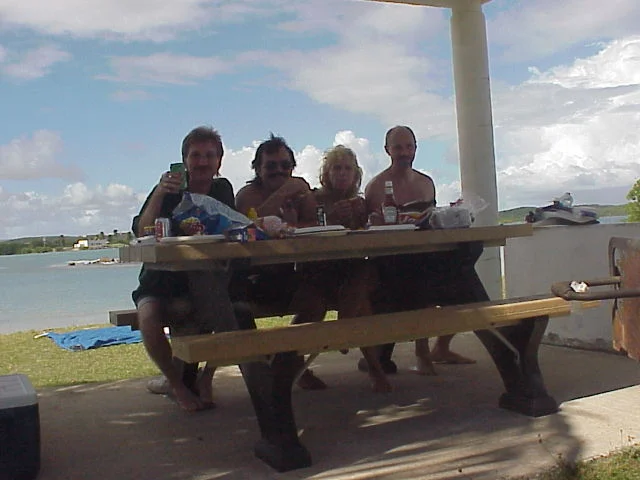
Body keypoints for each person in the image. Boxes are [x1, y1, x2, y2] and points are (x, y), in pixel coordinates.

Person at [131, 125, 235, 412]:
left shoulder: (222, 189)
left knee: (227, 308)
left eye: (209, 156)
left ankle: (206, 377)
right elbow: (142, 230)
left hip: (204, 276)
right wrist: (159, 195)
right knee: (149, 316)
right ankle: (177, 385)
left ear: (219, 162)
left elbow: (232, 226)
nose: (202, 162)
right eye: (195, 155)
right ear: (185, 160)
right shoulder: (170, 189)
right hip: (161, 279)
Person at [361, 125, 476, 375]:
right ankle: (422, 351)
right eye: (398, 147)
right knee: (424, 277)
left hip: (425, 255)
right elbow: (370, 231)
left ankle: (441, 346)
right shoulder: (376, 187)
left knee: (465, 264)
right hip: (390, 262)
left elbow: (431, 220)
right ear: (387, 150)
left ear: (415, 148)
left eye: (409, 146)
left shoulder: (426, 183)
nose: (404, 152)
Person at [290, 145, 392, 392]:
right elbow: (297, 227)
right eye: (337, 168)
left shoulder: (360, 202)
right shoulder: (312, 198)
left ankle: (346, 326)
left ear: (356, 175)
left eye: (348, 169)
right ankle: (368, 363)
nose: (343, 174)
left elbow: (369, 235)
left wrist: (372, 219)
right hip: (318, 271)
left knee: (364, 274)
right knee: (356, 303)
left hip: (351, 270)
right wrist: (329, 217)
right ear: (326, 173)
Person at [232, 134, 325, 389]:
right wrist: (284, 193)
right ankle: (283, 369)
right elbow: (247, 226)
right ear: (258, 169)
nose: (279, 171)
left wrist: (292, 222)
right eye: (271, 166)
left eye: (285, 165)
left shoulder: (300, 190)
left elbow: (314, 224)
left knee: (317, 302)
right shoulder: (247, 194)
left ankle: (287, 361)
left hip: (290, 273)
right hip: (251, 279)